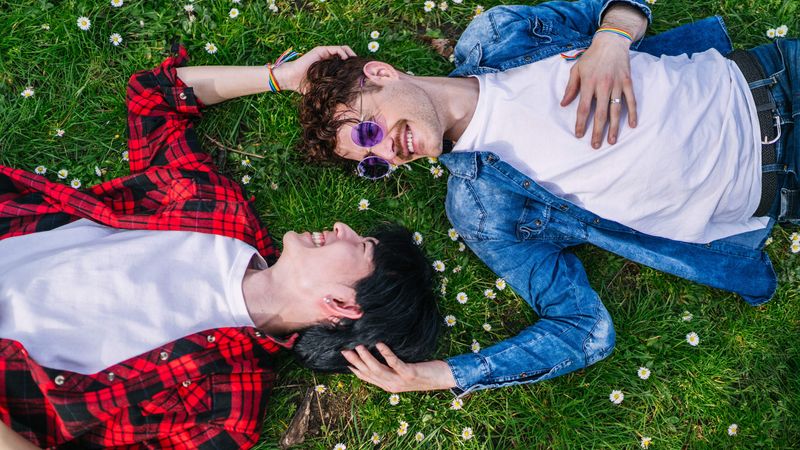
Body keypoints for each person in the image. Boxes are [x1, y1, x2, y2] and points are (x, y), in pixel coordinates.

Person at [296, 0, 798, 396]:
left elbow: (623, 5)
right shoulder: (483, 211)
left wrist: (612, 38)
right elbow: (583, 329)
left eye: (368, 131)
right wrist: (441, 375)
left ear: (382, 74)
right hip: (782, 183)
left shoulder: (498, 34)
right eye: (373, 161)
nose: (388, 151)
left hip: (773, 77)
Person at [0, 45, 440, 449]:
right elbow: (153, 98)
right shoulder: (217, 212)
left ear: (342, 305)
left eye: (362, 246)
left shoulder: (224, 411)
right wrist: (284, 77)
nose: (343, 226)